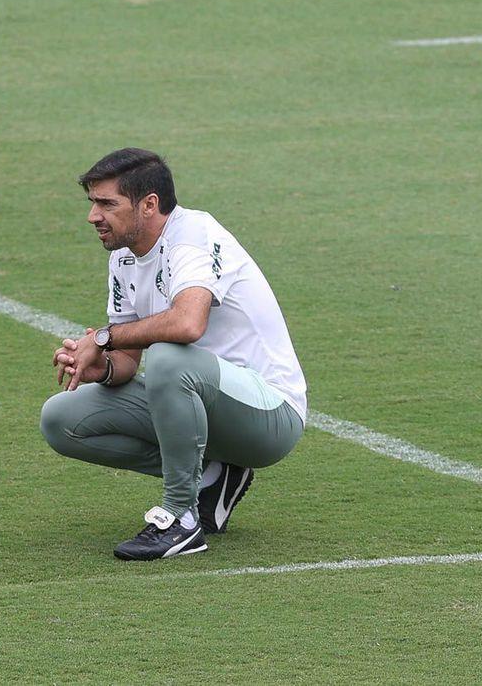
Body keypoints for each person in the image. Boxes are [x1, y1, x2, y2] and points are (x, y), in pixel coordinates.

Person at [40, 148, 307, 561]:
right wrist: (102, 368)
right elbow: (127, 361)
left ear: (149, 205)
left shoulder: (193, 236)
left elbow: (187, 325)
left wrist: (106, 337)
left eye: (106, 203)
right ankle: (215, 474)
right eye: (92, 203)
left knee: (168, 356)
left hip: (269, 414)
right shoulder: (123, 257)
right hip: (195, 399)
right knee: (61, 419)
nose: (93, 216)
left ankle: (181, 518)